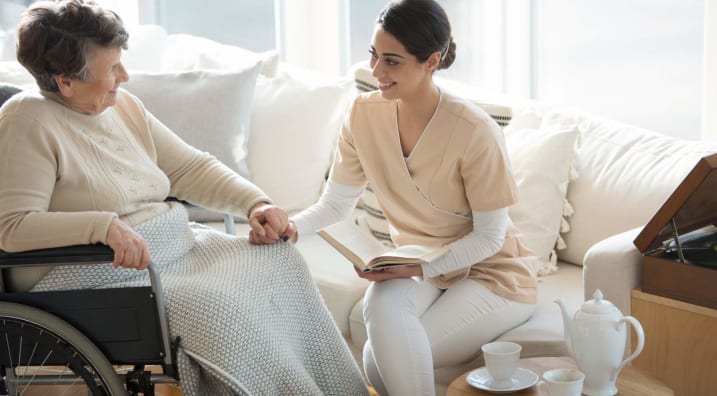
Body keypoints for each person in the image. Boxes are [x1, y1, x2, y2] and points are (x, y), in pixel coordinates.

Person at [0, 1, 369, 395]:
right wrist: (102, 226)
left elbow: (188, 168)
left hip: (166, 249)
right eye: (111, 69)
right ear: (65, 82)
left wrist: (255, 203)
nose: (124, 76)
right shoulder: (26, 120)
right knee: (218, 309)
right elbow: (12, 227)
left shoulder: (123, 106)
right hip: (92, 271)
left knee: (279, 261)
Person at [289, 1, 540, 395]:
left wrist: (416, 270)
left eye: (392, 61)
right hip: (419, 259)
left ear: (431, 61)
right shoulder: (362, 114)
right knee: (380, 307)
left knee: (378, 360)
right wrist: (288, 228)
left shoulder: (474, 130)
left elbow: (490, 238)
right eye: (373, 55)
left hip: (492, 273)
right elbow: (336, 206)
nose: (376, 72)